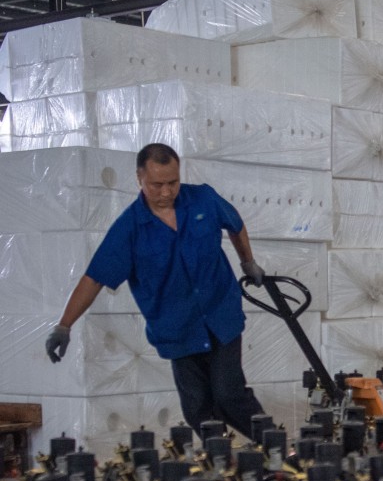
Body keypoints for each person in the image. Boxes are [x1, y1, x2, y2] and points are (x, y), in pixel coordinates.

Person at [45, 143, 266, 438]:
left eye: (173, 183)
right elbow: (95, 278)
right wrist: (64, 326)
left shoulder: (203, 198)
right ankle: (221, 459)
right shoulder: (129, 228)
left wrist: (248, 262)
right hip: (177, 328)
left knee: (229, 395)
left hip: (220, 313)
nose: (166, 192)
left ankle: (276, 447)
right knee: (198, 408)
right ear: (139, 178)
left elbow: (235, 224)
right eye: (157, 185)